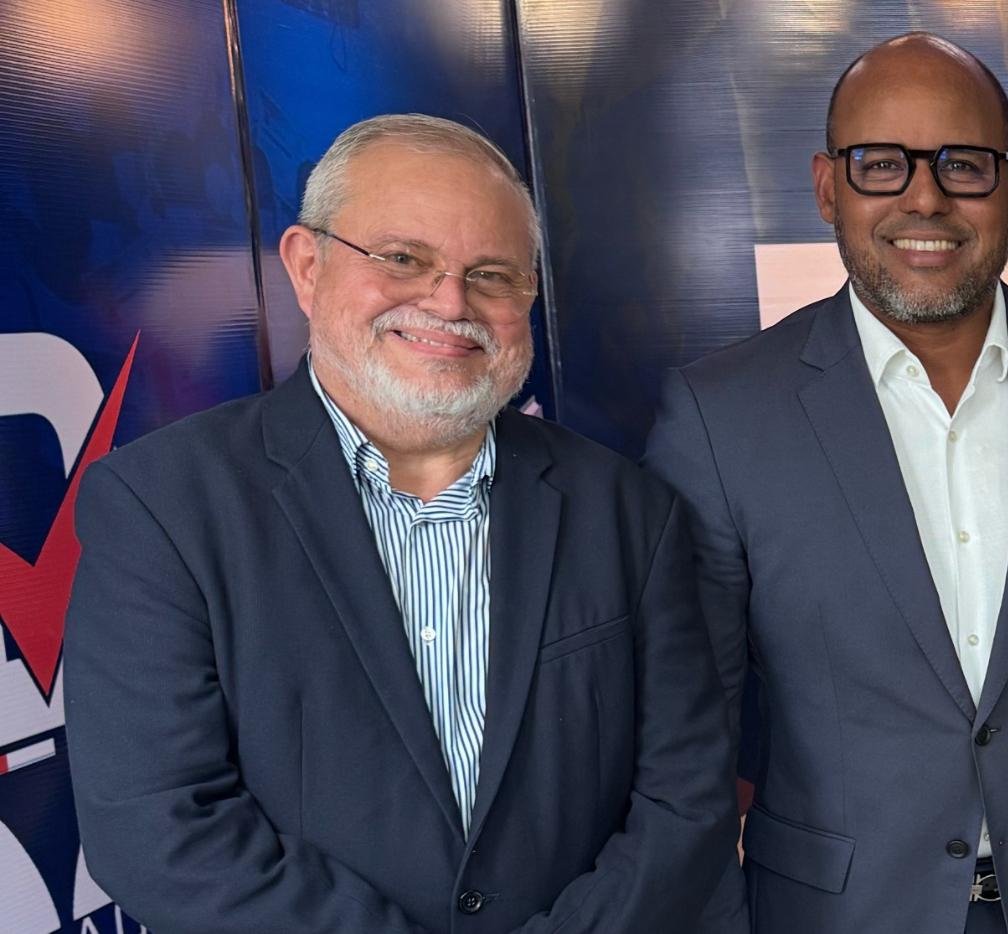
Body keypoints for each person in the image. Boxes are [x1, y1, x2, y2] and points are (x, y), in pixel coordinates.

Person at [65, 114, 741, 933]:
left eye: (491, 274)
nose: (449, 302)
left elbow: (684, 798)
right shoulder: (161, 505)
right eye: (402, 259)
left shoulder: (626, 509)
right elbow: (157, 829)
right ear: (306, 266)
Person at [645, 32, 1008, 934]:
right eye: (880, 164)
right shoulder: (719, 419)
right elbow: (693, 735)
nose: (924, 197)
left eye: (963, 164)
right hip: (838, 914)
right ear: (827, 188)